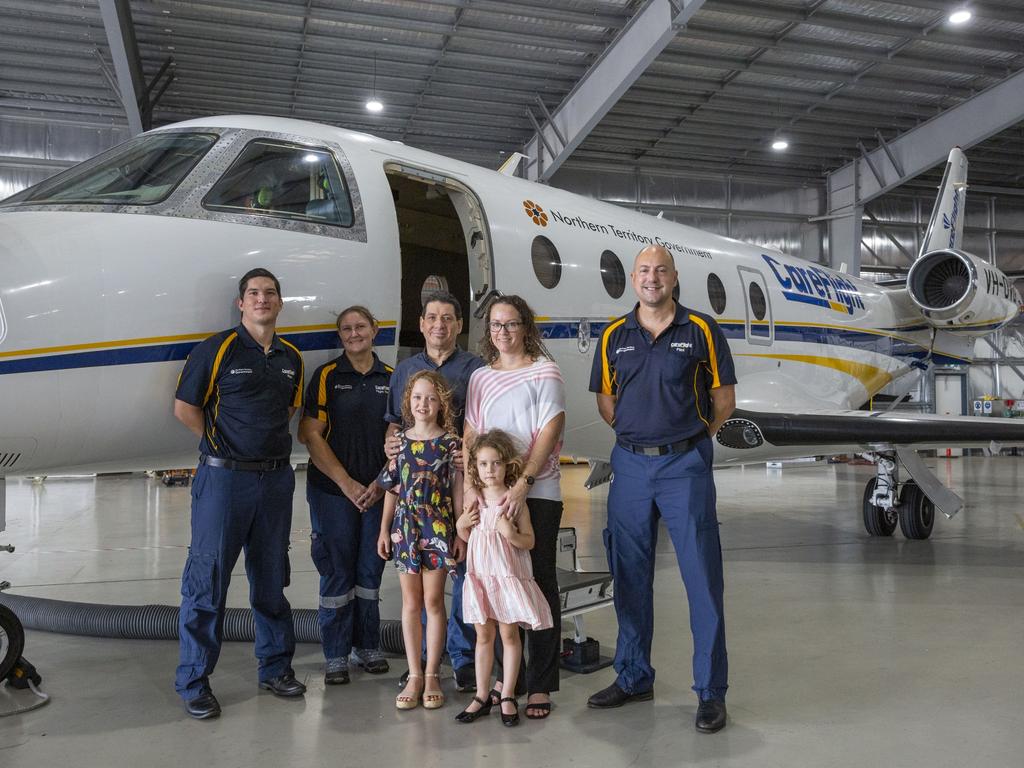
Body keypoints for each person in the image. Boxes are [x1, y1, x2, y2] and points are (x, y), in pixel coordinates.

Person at [586, 245, 737, 734]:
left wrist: (689, 441)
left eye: (661, 271)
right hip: (629, 467)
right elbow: (607, 401)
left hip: (684, 466)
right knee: (629, 577)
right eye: (645, 271)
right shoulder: (614, 334)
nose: (652, 279)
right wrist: (638, 436)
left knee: (702, 581)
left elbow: (724, 400)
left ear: (674, 278)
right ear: (634, 279)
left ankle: (711, 693)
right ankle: (633, 677)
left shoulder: (700, 330)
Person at [172, 267, 306, 720]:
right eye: (254, 293)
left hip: (275, 481)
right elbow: (185, 407)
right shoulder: (219, 348)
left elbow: (288, 409)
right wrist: (220, 447)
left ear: (280, 303)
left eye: (270, 293)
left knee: (271, 579)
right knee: (207, 582)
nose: (262, 299)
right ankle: (193, 681)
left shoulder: (291, 357)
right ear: (241, 303)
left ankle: (275, 668)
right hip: (224, 482)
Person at [366, 290, 483, 692]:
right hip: (411, 500)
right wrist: (390, 443)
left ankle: (462, 660)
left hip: (456, 486)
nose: (439, 324)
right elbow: (393, 424)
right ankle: (419, 664)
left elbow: (481, 425)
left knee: (463, 578)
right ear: (421, 323)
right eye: (432, 317)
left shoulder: (475, 367)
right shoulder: (405, 369)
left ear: (459, 325)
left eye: (447, 318)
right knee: (415, 593)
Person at [463, 295, 565, 721]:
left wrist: (523, 483)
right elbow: (471, 432)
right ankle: (508, 682)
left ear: (526, 327)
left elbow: (549, 429)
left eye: (511, 324)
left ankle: (540, 683)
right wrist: (471, 489)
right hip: (488, 496)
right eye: (495, 326)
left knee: (536, 582)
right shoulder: (481, 377)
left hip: (535, 492)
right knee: (495, 584)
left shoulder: (545, 371)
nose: (502, 332)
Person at [298, 306, 392, 686]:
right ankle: (336, 654)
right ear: (340, 337)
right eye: (346, 329)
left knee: (370, 572)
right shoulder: (327, 377)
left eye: (360, 327)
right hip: (333, 494)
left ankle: (368, 646)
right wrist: (346, 484)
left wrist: (379, 484)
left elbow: (402, 438)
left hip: (377, 493)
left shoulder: (392, 378)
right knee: (337, 572)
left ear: (375, 330)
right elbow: (310, 434)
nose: (354, 334)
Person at [376, 370, 464, 711]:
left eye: (430, 398)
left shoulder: (451, 444)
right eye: (417, 398)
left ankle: (432, 674)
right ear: (407, 403)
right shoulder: (400, 444)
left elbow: (457, 491)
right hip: (405, 528)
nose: (423, 404)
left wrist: (459, 532)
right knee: (410, 603)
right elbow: (392, 490)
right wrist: (384, 529)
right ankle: (413, 674)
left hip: (438, 528)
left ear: (441, 403)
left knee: (434, 603)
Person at [455, 429, 553, 727]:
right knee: (484, 636)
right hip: (482, 578)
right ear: (475, 467)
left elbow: (530, 541)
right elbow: (466, 536)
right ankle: (482, 695)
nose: (489, 470)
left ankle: (508, 693)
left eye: (495, 463)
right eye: (483, 464)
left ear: (507, 464)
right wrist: (460, 524)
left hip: (507, 578)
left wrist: (511, 533)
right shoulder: (475, 502)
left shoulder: (513, 502)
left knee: (509, 635)